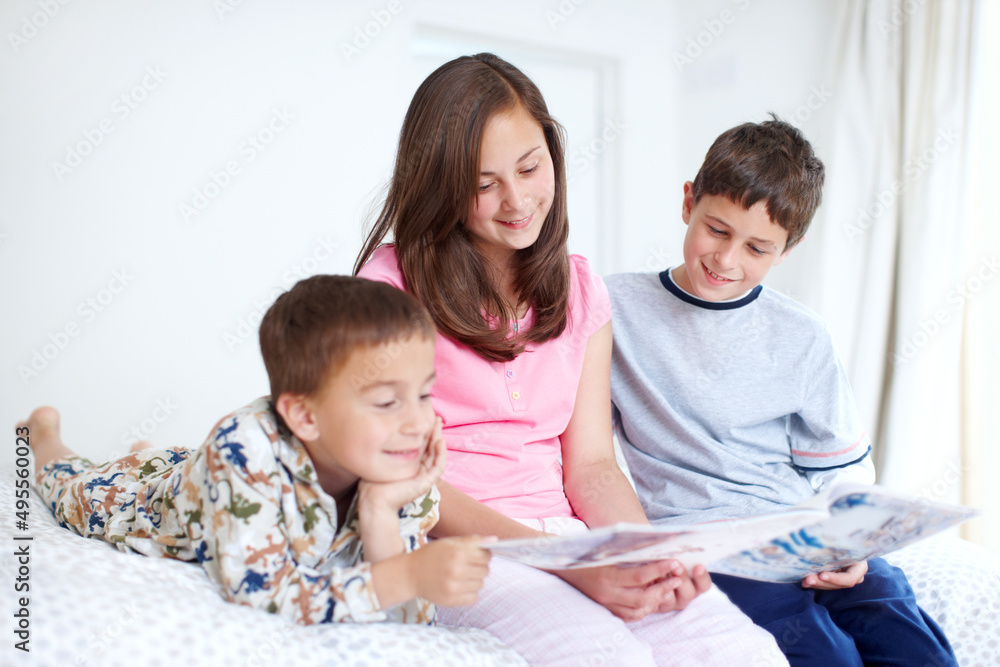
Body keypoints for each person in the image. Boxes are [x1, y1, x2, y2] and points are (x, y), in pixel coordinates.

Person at [355, 52, 784, 667]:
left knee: (744, 654)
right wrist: (569, 566)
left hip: (567, 538)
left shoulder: (582, 289)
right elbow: (397, 479)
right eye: (483, 184)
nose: (516, 200)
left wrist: (644, 552)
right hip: (450, 544)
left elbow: (591, 467)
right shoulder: (387, 288)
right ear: (442, 185)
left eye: (530, 168)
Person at [606, 115, 957, 666]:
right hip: (708, 541)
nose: (726, 260)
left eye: (757, 248)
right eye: (717, 230)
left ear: (787, 250)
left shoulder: (802, 334)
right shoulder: (613, 309)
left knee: (905, 634)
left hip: (802, 528)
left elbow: (842, 468)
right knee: (826, 654)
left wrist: (853, 546)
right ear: (687, 204)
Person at [23, 275, 492, 625]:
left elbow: (408, 625)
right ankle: (44, 435)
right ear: (305, 417)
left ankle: (157, 458)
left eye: (425, 394)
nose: (418, 421)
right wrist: (407, 575)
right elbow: (262, 591)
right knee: (70, 488)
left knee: (181, 465)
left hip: (211, 474)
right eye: (388, 402)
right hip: (161, 499)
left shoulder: (403, 467)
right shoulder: (243, 447)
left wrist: (380, 510)